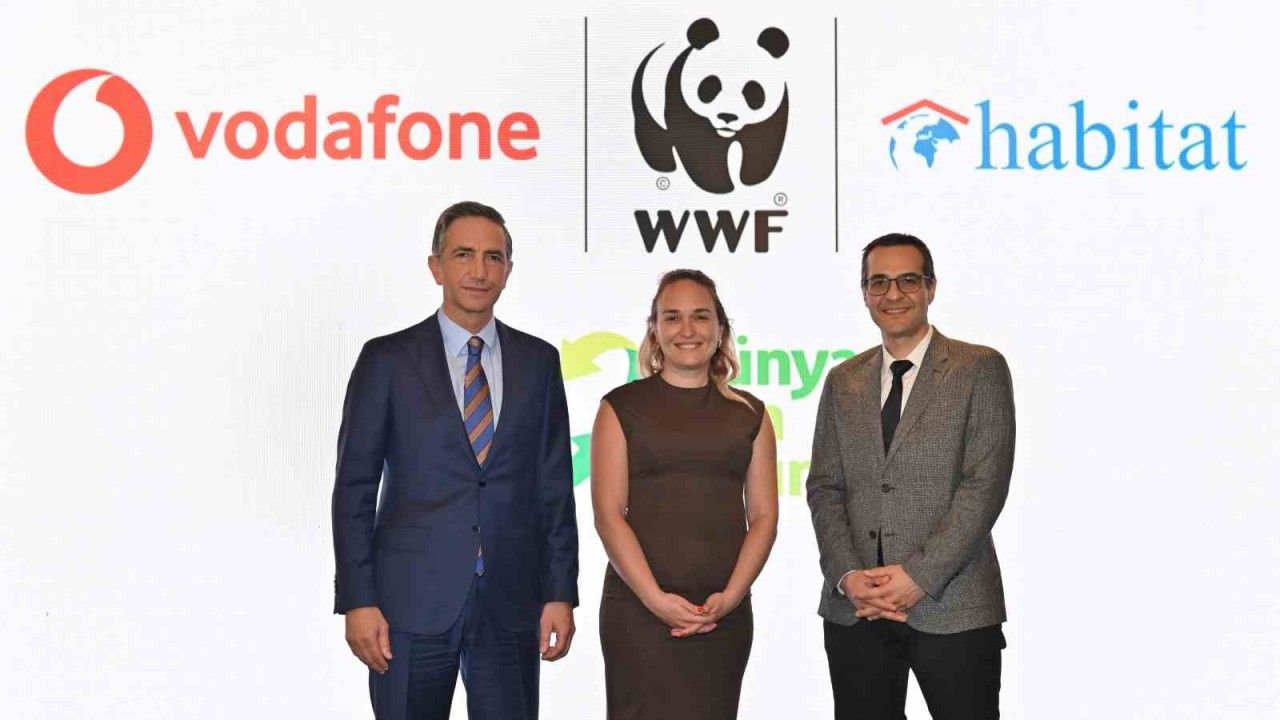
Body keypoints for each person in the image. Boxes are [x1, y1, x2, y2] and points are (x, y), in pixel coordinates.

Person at [331, 201, 579, 720]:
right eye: (463, 254)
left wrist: (560, 591)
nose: (479, 270)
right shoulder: (386, 359)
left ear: (508, 270)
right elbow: (354, 489)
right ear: (436, 266)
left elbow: (553, 487)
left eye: (494, 257)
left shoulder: (539, 362)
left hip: (512, 602)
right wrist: (357, 598)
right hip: (408, 604)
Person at [806, 233, 1016, 720]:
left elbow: (984, 487)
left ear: (930, 287)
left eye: (907, 280)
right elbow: (824, 487)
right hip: (857, 610)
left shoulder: (979, 368)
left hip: (955, 605)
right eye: (878, 282)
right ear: (864, 293)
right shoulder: (842, 380)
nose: (893, 294)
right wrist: (847, 575)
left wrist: (918, 577)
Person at [591, 269, 779, 720]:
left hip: (723, 617)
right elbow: (608, 515)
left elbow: (764, 517)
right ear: (654, 329)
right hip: (638, 615)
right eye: (672, 317)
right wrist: (655, 600)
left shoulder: (751, 414)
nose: (687, 329)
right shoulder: (620, 407)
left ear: (721, 328)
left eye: (701, 316)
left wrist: (732, 596)